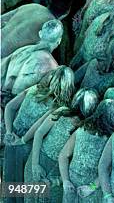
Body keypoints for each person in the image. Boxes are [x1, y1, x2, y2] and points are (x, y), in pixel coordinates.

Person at [4, 67, 75, 200]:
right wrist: (23, 140)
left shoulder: (34, 89)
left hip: (12, 138)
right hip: (27, 144)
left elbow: (9, 107)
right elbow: (38, 129)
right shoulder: (57, 107)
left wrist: (9, 131)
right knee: (23, 189)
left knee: (10, 186)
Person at [29, 89, 98, 203]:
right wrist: (35, 164)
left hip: (60, 171)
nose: (76, 117)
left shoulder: (85, 129)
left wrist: (58, 181)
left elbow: (70, 159)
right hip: (41, 158)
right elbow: (39, 133)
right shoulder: (61, 112)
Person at [58, 99, 114, 202]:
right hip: (92, 191)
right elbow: (107, 168)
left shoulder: (81, 130)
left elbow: (63, 155)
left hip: (71, 186)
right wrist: (92, 187)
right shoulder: (111, 140)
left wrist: (66, 181)